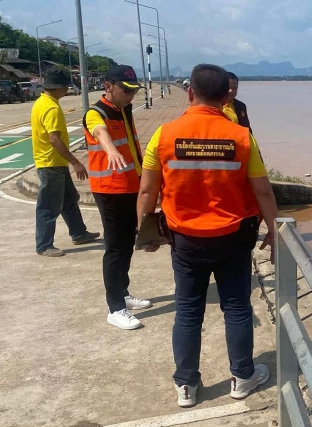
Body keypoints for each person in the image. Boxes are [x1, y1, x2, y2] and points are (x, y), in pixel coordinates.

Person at [137, 64, 278, 408]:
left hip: (185, 240)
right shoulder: (242, 137)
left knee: (187, 311)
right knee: (237, 308)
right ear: (227, 95)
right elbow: (262, 192)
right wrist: (273, 231)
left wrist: (145, 232)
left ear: (189, 93)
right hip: (233, 238)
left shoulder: (164, 135)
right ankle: (243, 377)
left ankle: (186, 384)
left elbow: (147, 192)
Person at [83, 65, 152, 330]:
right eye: (126, 90)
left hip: (130, 185)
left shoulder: (124, 108)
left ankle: (122, 292)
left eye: (134, 91)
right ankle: (115, 308)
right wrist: (110, 149)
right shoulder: (95, 112)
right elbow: (99, 131)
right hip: (109, 189)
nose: (131, 95)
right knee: (114, 248)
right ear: (108, 86)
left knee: (126, 244)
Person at [31, 68, 99, 257]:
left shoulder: (41, 102)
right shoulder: (51, 108)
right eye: (66, 86)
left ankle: (79, 233)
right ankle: (44, 245)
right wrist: (76, 162)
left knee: (69, 199)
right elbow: (54, 139)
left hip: (54, 162)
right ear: (59, 88)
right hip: (51, 163)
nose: (67, 89)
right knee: (48, 206)